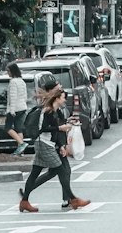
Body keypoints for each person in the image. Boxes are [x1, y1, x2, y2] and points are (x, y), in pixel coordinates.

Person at [18, 83, 91, 213]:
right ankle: (73, 199)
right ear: (57, 98)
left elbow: (55, 131)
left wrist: (61, 144)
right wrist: (60, 128)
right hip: (44, 144)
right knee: (61, 170)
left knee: (35, 173)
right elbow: (44, 128)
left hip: (47, 144)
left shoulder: (55, 111)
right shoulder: (48, 111)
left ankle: (24, 201)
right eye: (63, 98)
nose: (64, 100)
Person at [4, 62, 28, 150]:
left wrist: (12, 110)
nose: (7, 73)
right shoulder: (22, 81)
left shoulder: (13, 82)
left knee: (7, 127)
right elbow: (25, 95)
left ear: (12, 71)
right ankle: (21, 150)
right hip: (22, 107)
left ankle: (21, 143)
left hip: (15, 108)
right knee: (19, 129)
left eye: (8, 71)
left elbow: (13, 97)